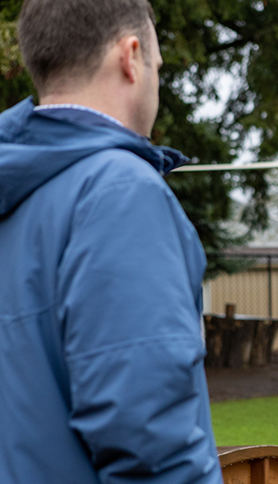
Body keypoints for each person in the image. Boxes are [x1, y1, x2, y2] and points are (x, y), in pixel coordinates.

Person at [0, 1, 222, 483]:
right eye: (158, 67)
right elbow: (151, 449)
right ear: (131, 56)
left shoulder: (15, 192)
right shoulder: (120, 193)